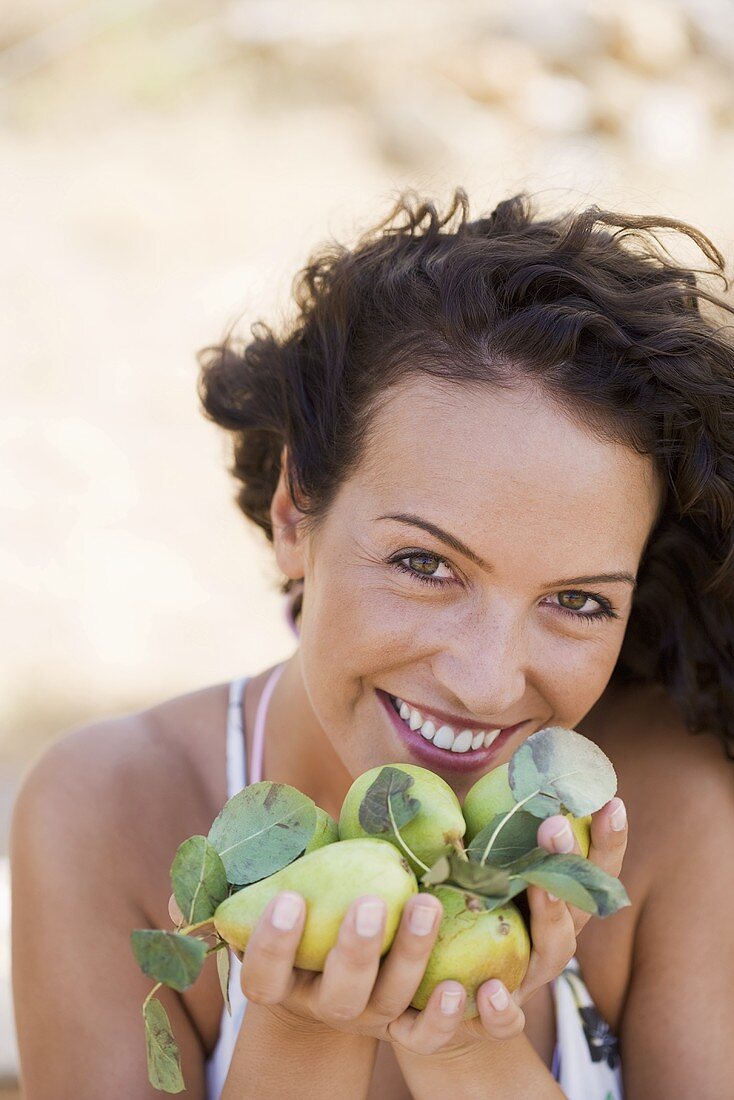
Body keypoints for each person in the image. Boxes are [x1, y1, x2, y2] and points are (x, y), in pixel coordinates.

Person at [10, 189, 734, 1100]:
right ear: (292, 512)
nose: (484, 681)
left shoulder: (672, 813)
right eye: (425, 564)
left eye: (579, 600)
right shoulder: (109, 812)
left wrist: (465, 1043)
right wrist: (300, 1035)